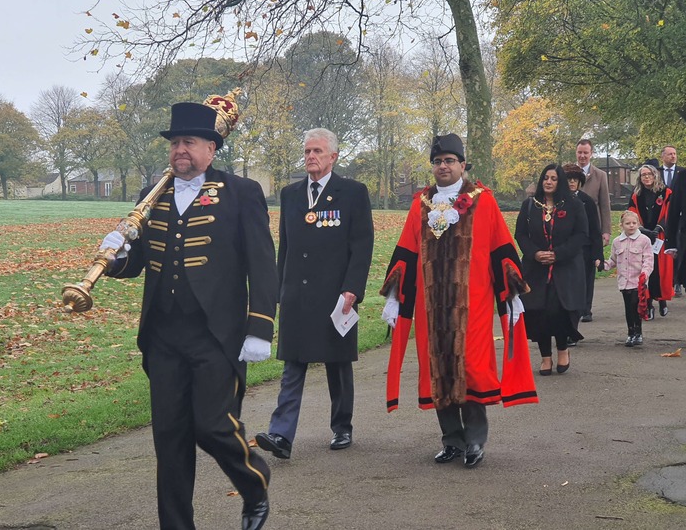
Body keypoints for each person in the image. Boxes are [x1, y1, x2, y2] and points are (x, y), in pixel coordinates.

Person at [99, 99, 278, 530]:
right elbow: (138, 261)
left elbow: (263, 264)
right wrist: (114, 257)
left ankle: (254, 484)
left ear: (211, 149)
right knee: (170, 440)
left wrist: (260, 328)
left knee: (213, 426)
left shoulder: (241, 192)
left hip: (216, 335)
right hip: (163, 335)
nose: (181, 149)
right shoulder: (152, 195)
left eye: (190, 142)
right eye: (175, 142)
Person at [380, 134, 537, 469]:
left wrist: (511, 294)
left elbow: (501, 248)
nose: (443, 166)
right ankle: (451, 439)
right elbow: (406, 251)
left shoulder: (484, 201)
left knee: (472, 368)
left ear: (463, 165)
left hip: (474, 304)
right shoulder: (420, 204)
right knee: (438, 368)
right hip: (430, 306)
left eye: (450, 161)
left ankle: (476, 440)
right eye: (438, 161)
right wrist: (395, 297)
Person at [255, 128, 374, 460]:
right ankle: (281, 433)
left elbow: (362, 246)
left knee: (337, 364)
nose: (310, 157)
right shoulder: (291, 194)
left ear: (333, 157)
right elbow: (287, 247)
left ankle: (342, 426)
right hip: (297, 294)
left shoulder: (351, 192)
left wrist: (352, 289)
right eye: (307, 151)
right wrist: (280, 289)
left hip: (335, 295)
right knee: (293, 363)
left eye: (318, 151)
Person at [515, 164, 588, 376]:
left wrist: (558, 253)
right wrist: (535, 253)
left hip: (564, 269)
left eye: (554, 178)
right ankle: (545, 357)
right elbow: (521, 235)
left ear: (560, 182)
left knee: (557, 311)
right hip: (535, 270)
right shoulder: (530, 205)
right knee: (539, 312)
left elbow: (581, 235)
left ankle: (563, 349)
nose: (548, 181)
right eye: (546, 178)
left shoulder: (574, 205)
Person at [563, 163, 603, 344]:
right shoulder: (558, 201)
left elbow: (595, 230)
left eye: (575, 180)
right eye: (569, 180)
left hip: (584, 252)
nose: (572, 183)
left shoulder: (587, 201)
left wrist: (598, 255)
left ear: (580, 182)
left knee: (581, 290)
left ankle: (573, 329)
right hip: (564, 252)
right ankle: (565, 328)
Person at [627, 163, 674, 318]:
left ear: (655, 175)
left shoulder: (666, 192)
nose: (646, 177)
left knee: (661, 271)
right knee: (645, 269)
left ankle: (662, 300)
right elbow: (631, 214)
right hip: (643, 236)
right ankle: (648, 304)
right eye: (643, 175)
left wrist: (659, 228)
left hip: (660, 236)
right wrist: (642, 229)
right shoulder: (636, 195)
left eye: (649, 174)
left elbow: (670, 212)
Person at [602, 211, 654, 346]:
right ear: (621, 225)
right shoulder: (617, 242)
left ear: (638, 224)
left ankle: (638, 333)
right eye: (628, 223)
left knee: (636, 306)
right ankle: (630, 332)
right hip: (624, 281)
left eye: (634, 223)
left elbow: (648, 260)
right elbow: (613, 260)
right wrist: (602, 265)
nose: (631, 226)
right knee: (628, 308)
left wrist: (645, 274)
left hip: (638, 281)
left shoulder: (644, 240)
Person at [576, 138, 611, 322]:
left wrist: (605, 230)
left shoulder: (600, 176)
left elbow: (605, 204)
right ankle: (575, 304)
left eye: (585, 153)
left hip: (592, 228)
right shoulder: (568, 173)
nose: (582, 156)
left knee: (590, 268)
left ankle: (586, 308)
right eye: (580, 152)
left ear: (591, 154)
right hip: (572, 229)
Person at [658, 146, 684, 296]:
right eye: (670, 154)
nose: (673, 156)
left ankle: (678, 281)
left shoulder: (681, 172)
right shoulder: (657, 173)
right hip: (663, 214)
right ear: (663, 156)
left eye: (675, 154)